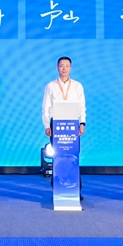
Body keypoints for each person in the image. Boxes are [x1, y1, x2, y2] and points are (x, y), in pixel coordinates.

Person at [42, 56, 86, 198]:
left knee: (73, 157)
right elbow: (46, 107)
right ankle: (58, 187)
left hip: (72, 124)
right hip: (56, 124)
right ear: (57, 68)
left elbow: (82, 106)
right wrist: (47, 125)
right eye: (61, 66)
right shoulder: (50, 86)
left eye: (67, 66)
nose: (64, 68)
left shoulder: (77, 86)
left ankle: (76, 189)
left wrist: (82, 123)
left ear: (70, 68)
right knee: (58, 157)